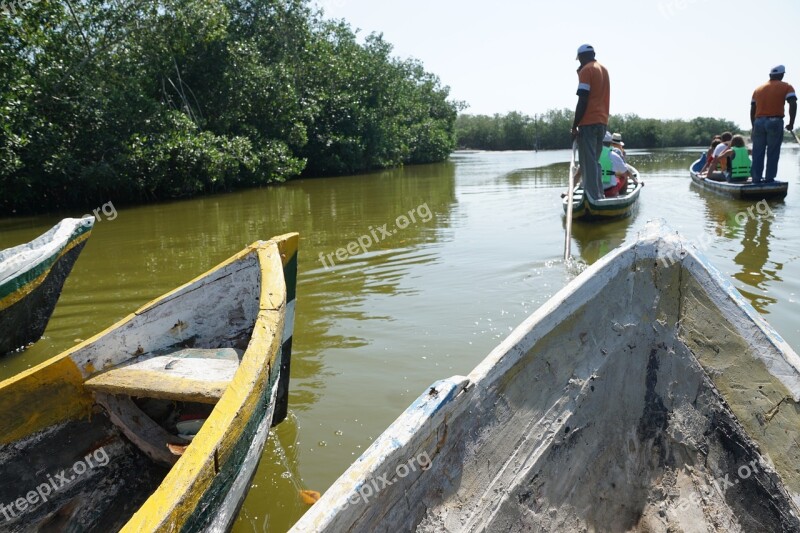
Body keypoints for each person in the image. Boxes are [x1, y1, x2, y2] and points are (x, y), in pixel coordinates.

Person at [571, 44, 610, 200]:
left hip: (588, 122)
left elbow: (583, 99)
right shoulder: (604, 69)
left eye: (579, 59)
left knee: (587, 164)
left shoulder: (587, 70)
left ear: (582, 57)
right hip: (602, 122)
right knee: (594, 162)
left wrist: (574, 126)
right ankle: (599, 195)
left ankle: (593, 197)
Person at [750, 65, 797, 182]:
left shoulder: (758, 89)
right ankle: (769, 179)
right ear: (781, 75)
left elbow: (752, 109)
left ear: (770, 75)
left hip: (759, 122)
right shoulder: (787, 86)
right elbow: (793, 104)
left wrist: (753, 125)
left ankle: (756, 178)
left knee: (757, 152)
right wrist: (791, 123)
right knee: (773, 152)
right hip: (775, 121)